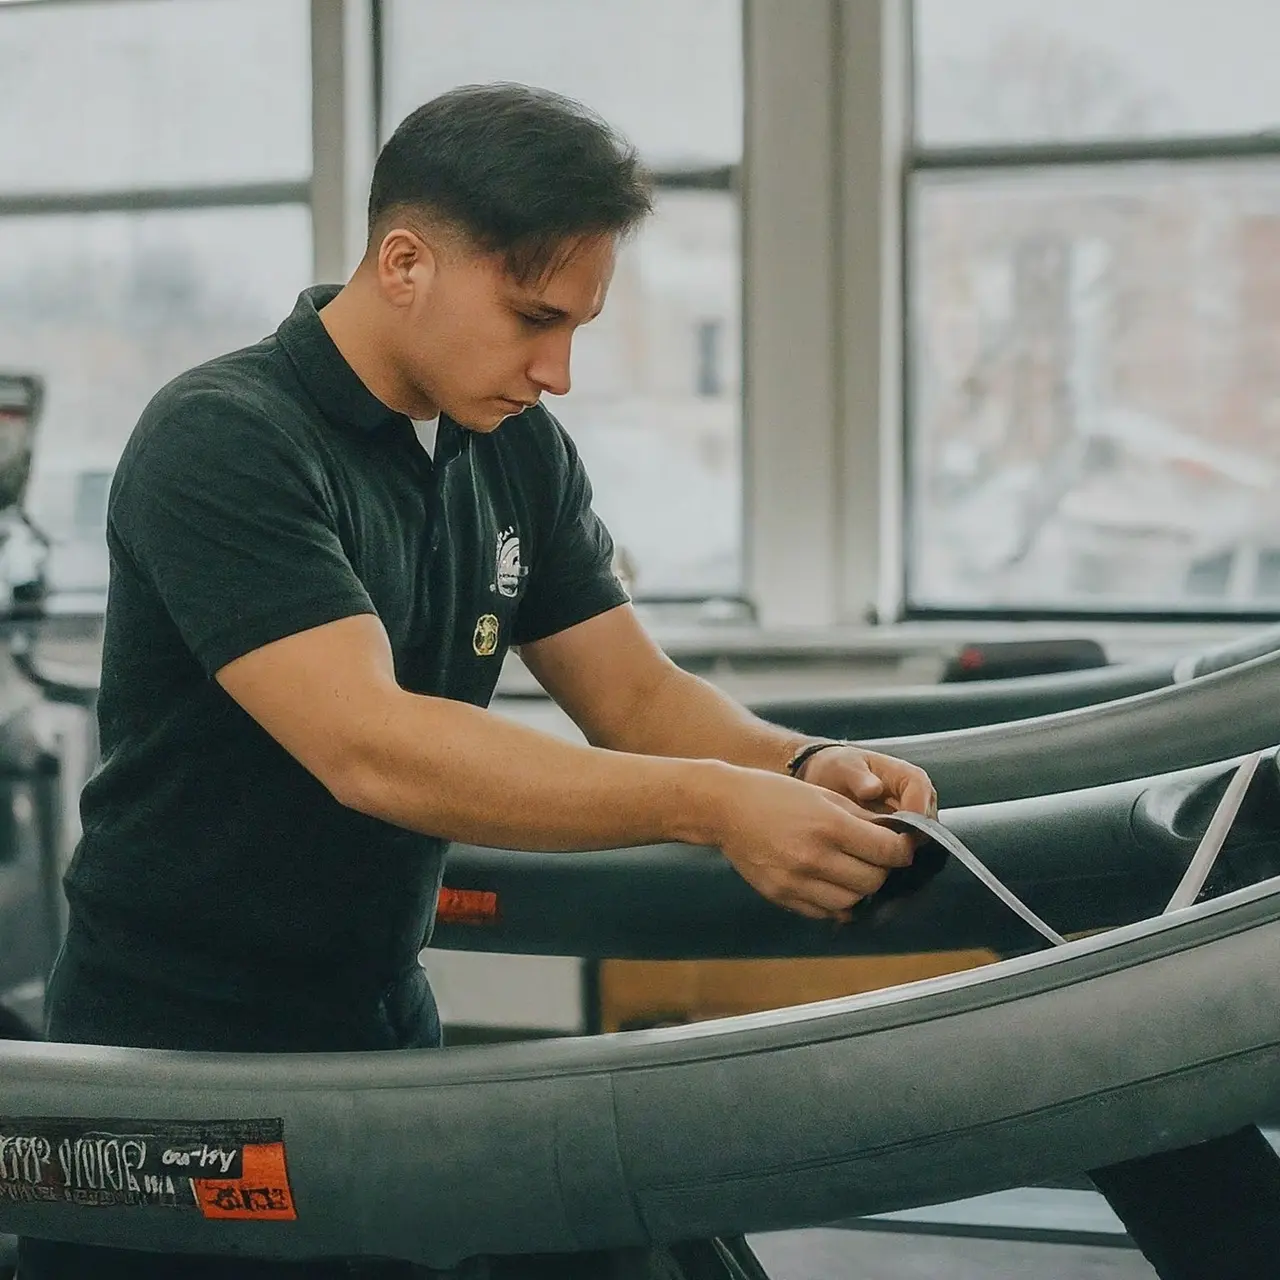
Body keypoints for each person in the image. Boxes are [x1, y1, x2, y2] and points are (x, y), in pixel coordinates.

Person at [16, 83, 937, 1279]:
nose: (555, 369)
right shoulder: (224, 435)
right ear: (403, 262)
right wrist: (713, 805)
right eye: (530, 318)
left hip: (378, 1014)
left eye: (577, 329)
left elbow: (638, 700)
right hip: (179, 1060)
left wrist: (800, 766)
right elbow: (371, 747)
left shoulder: (511, 447)